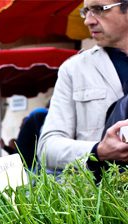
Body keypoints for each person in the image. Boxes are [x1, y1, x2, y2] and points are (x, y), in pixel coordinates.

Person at [38, 1, 128, 177]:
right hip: (98, 199)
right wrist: (97, 151)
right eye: (86, 11)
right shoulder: (74, 69)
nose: (88, 21)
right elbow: (47, 147)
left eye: (99, 9)